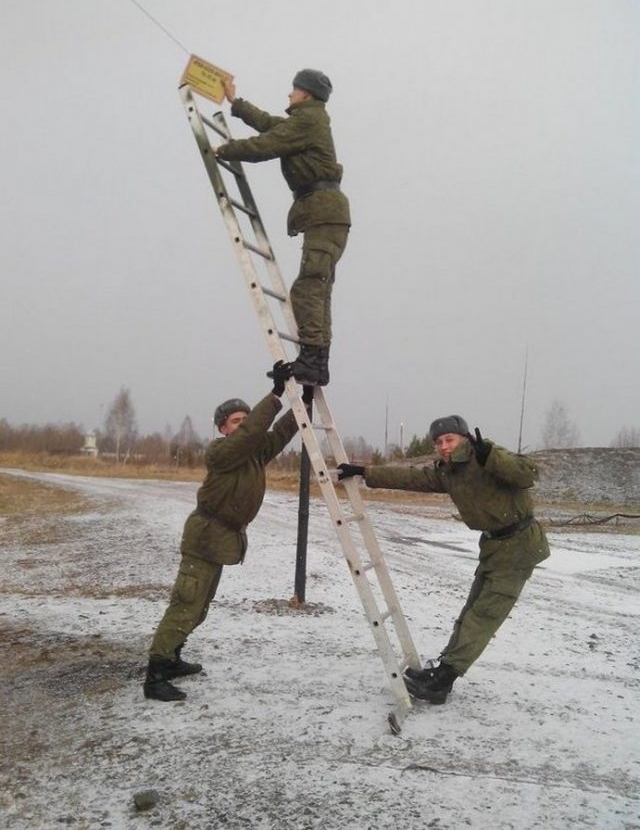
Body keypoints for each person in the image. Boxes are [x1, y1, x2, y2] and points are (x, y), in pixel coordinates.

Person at [337, 414, 550, 704]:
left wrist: (492, 457)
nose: (444, 447)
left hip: (519, 545)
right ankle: (443, 674)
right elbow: (410, 477)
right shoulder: (449, 472)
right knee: (472, 611)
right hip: (494, 546)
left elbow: (528, 474)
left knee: (484, 615)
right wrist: (364, 472)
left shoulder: (486, 456)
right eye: (439, 442)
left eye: (449, 439)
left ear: (464, 437)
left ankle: (445, 678)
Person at [143, 361, 300, 702]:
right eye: (237, 421)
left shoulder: (254, 453)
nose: (244, 426)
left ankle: (172, 658)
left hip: (220, 541)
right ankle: (155, 676)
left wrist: (303, 399)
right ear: (223, 429)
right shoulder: (221, 454)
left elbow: (283, 432)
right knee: (186, 604)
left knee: (199, 607)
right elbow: (250, 435)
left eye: (247, 419)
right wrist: (274, 395)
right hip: (204, 540)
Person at [215, 69, 351, 387]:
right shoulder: (306, 122)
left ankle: (313, 360)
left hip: (323, 213)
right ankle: (317, 361)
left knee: (308, 289)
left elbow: (267, 144)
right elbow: (270, 125)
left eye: (293, 90)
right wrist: (236, 102)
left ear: (305, 93)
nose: (288, 95)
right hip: (325, 214)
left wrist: (222, 150)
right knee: (318, 289)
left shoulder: (309, 121)